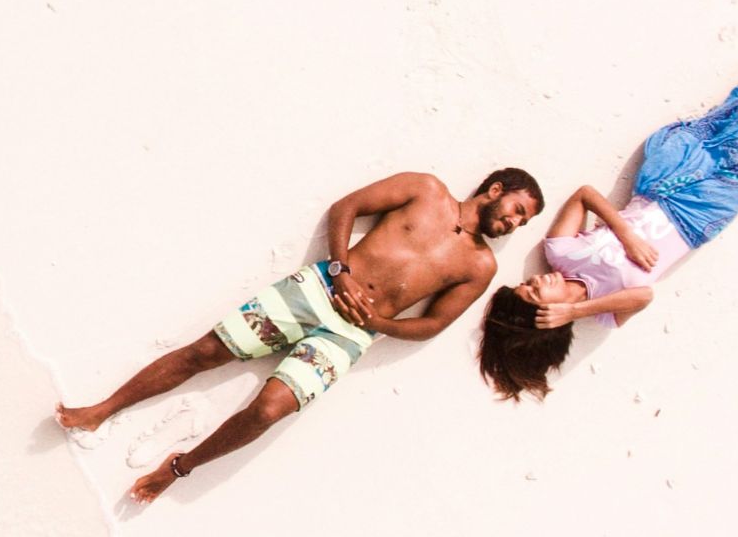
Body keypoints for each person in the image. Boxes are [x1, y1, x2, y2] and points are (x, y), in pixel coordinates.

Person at [477, 0, 738, 401]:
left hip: (661, 184)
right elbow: (645, 295)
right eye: (535, 290)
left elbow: (585, 194)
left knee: (737, 106)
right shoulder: (605, 313)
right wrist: (575, 310)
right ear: (547, 314)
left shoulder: (562, 253)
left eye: (528, 283)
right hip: (699, 212)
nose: (537, 279)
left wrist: (625, 232)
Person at [58, 168, 546, 501]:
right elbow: (347, 207)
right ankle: (101, 410)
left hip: (349, 336)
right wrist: (339, 269)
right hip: (316, 289)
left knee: (268, 411)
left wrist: (376, 324)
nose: (514, 222)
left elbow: (433, 324)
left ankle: (179, 467)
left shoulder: (479, 265)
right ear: (496, 188)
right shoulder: (425, 188)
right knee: (205, 352)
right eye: (517, 209)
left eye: (523, 221)